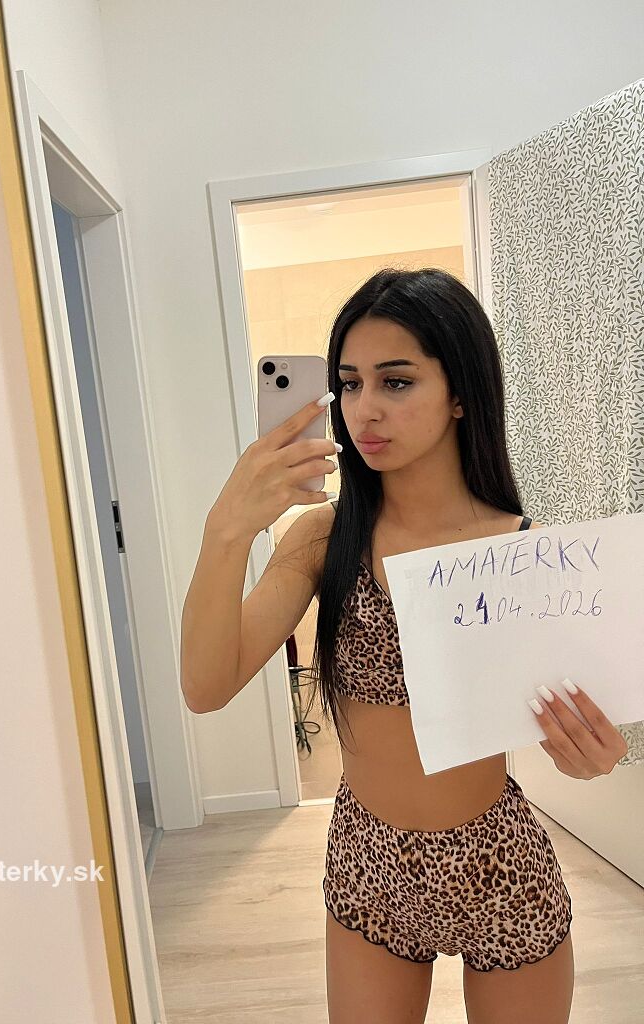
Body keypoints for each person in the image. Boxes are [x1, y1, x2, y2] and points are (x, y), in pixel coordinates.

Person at [181, 267, 626, 1023]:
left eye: (396, 381)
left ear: (460, 394)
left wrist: (595, 754)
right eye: (349, 384)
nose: (364, 409)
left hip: (500, 864)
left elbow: (589, 725)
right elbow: (205, 686)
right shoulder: (323, 538)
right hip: (369, 862)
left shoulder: (523, 555)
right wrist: (227, 530)